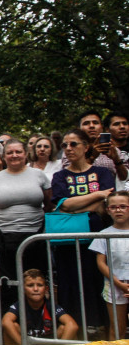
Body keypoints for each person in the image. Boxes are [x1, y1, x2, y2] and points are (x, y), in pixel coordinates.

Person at [52, 128, 115, 329]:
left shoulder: (103, 173)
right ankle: (75, 328)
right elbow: (65, 205)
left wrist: (77, 204)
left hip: (98, 239)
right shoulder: (59, 176)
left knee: (97, 281)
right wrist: (97, 195)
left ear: (86, 147)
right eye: (64, 145)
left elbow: (105, 206)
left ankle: (101, 327)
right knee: (70, 283)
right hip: (68, 242)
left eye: (73, 144)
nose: (68, 149)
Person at [0, 139, 52, 308]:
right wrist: (9, 223)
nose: (14, 155)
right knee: (7, 281)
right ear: (4, 156)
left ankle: (39, 319)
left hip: (35, 235)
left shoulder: (38, 175)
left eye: (18, 152)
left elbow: (49, 204)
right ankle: (9, 319)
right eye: (10, 152)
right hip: (5, 237)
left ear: (26, 154)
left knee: (36, 279)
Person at [90, 191, 129, 340]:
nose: (118, 210)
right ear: (108, 210)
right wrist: (119, 283)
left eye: (123, 206)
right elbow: (101, 262)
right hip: (114, 284)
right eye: (113, 207)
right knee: (117, 328)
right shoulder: (104, 234)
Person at [2, 269, 78, 345]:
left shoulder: (50, 306)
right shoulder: (19, 305)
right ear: (23, 289)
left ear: (46, 289)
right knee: (12, 327)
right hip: (27, 343)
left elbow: (72, 325)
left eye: (40, 285)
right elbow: (6, 321)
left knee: (64, 328)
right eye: (30, 285)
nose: (35, 289)